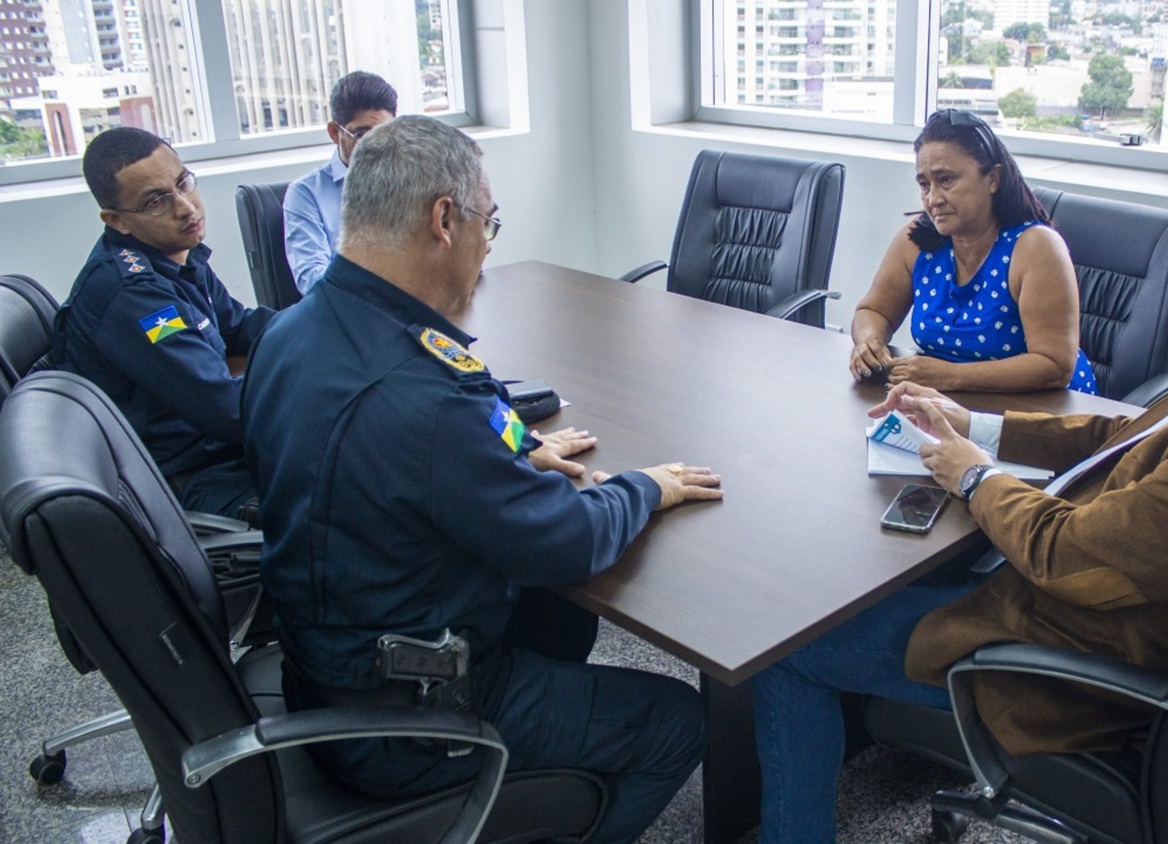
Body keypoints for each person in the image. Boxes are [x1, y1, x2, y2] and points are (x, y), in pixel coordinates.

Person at [753, 183, 1168, 842]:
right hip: (1085, 611)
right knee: (870, 577)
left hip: (1062, 665)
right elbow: (1120, 438)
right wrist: (974, 426)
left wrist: (972, 472)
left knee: (788, 649)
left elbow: (1066, 556)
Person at [242, 115, 721, 843]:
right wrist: (646, 487)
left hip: (321, 666)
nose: (488, 244)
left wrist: (510, 453)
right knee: (677, 720)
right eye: (487, 223)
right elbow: (570, 542)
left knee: (563, 617)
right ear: (444, 220)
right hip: (405, 722)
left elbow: (374, 461)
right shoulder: (424, 396)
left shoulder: (288, 334)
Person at [53, 126, 273, 520]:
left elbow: (239, 327)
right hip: (194, 480)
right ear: (116, 220)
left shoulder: (174, 254)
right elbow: (227, 409)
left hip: (222, 450)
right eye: (156, 201)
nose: (186, 207)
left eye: (183, 182)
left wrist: (325, 323)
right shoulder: (134, 297)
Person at [848, 108, 1097, 394]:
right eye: (924, 184)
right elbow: (873, 310)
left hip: (1040, 409)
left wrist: (949, 376)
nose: (933, 199)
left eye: (946, 180)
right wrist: (869, 341)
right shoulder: (915, 241)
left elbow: (1054, 366)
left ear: (992, 179)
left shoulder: (1036, 248)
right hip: (952, 400)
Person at [283, 70, 396, 294]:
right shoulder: (306, 194)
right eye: (362, 134)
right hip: (352, 309)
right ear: (335, 133)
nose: (376, 146)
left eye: (385, 133)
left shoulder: (410, 180)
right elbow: (312, 280)